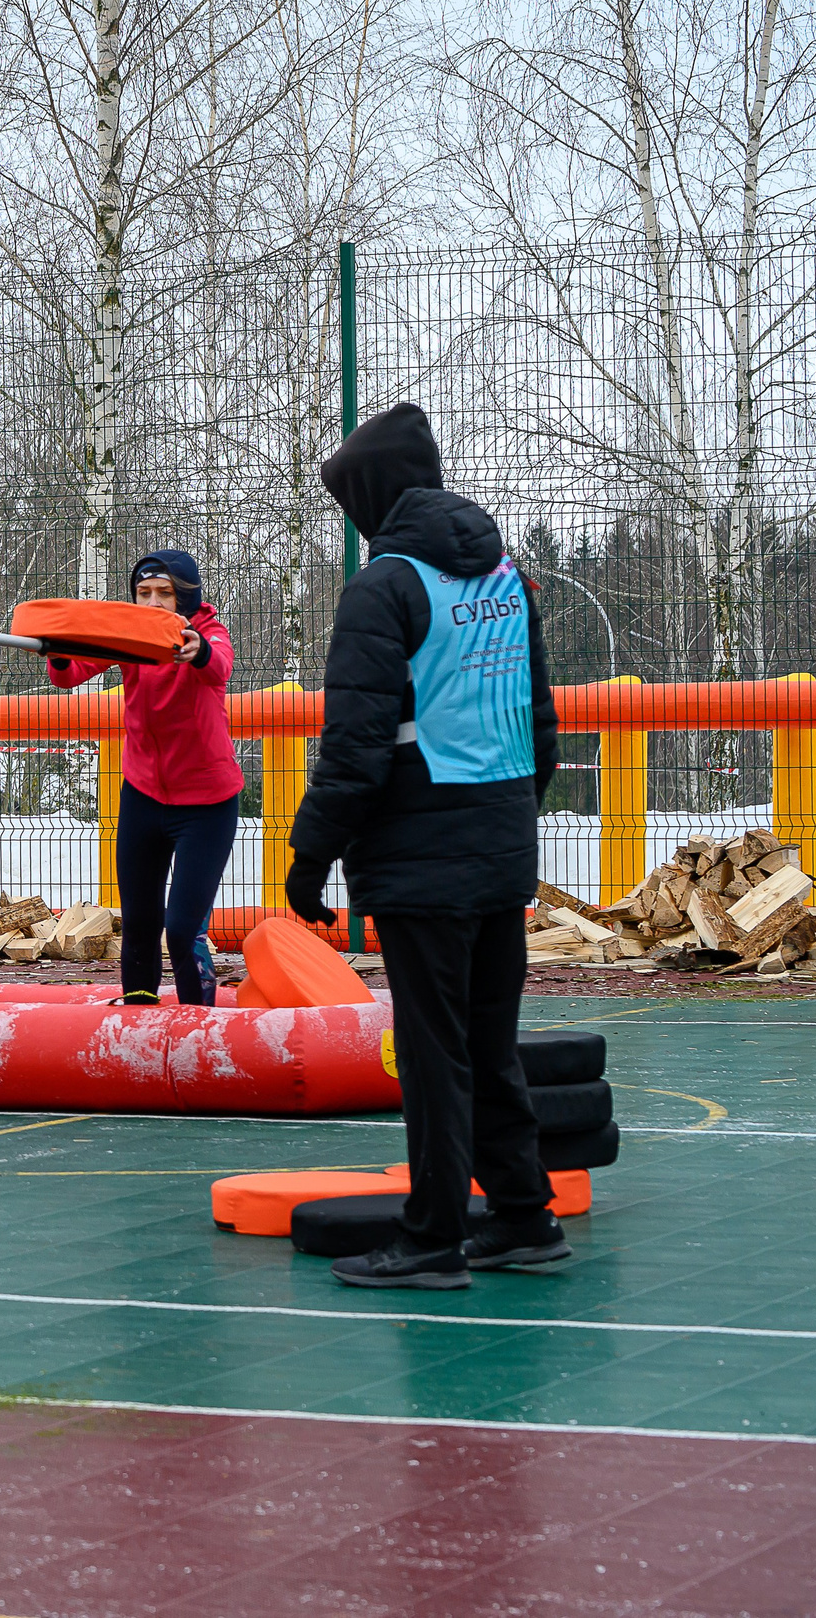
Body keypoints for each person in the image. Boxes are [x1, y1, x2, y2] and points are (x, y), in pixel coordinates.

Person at [284, 402, 564, 1290]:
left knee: (434, 1054)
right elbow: (541, 723)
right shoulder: (504, 576)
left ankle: (433, 1235)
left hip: (417, 856)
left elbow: (356, 746)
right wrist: (508, 823)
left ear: (372, 495)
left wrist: (307, 853)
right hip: (498, 845)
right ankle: (523, 1217)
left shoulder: (384, 586)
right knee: (491, 1044)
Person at [47, 550, 239, 1006]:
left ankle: (200, 1019)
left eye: (164, 594)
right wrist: (56, 653)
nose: (152, 603)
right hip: (143, 795)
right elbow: (72, 673)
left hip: (206, 805)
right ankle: (138, 1015)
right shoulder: (129, 633)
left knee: (181, 927)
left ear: (185, 598)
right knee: (138, 920)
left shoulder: (208, 631)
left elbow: (220, 666)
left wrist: (198, 650)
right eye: (143, 593)